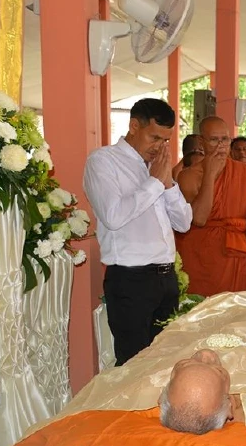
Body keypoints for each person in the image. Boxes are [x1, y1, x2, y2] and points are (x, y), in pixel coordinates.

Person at [83, 98, 193, 366]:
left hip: (166, 280)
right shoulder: (103, 161)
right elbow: (114, 216)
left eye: (166, 141)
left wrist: (167, 185)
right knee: (134, 367)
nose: (160, 147)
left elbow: (184, 222)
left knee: (165, 365)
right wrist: (155, 182)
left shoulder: (157, 167)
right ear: (134, 126)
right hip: (131, 282)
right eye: (155, 137)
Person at [175, 116, 246, 297]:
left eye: (225, 139)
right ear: (201, 142)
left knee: (237, 319)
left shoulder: (243, 171)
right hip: (202, 260)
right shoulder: (188, 176)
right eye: (214, 140)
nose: (221, 146)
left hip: (238, 258)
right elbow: (199, 218)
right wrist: (209, 174)